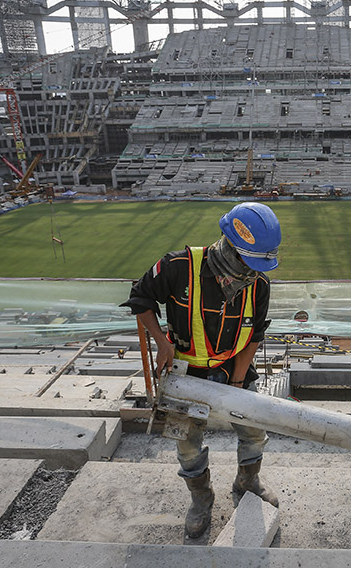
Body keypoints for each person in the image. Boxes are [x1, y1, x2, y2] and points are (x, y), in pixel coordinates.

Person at [122, 202, 281, 539]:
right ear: (231, 248)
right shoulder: (179, 266)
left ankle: (247, 481)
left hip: (232, 366)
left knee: (254, 431)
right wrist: (162, 344)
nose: (251, 274)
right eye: (248, 264)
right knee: (187, 443)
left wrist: (238, 379)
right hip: (184, 372)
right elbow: (141, 298)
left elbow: (255, 334)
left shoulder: (259, 285)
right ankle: (201, 497)